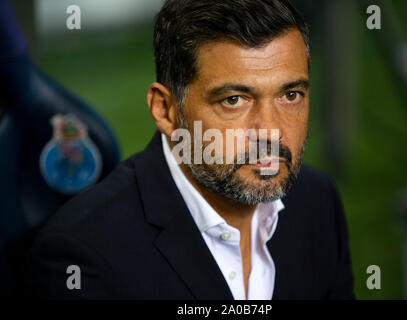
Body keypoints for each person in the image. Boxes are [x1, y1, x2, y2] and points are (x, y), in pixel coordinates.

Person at [23, 0, 354, 299]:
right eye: (234, 100)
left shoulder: (317, 203)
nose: (270, 131)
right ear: (165, 110)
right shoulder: (84, 253)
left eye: (290, 95)